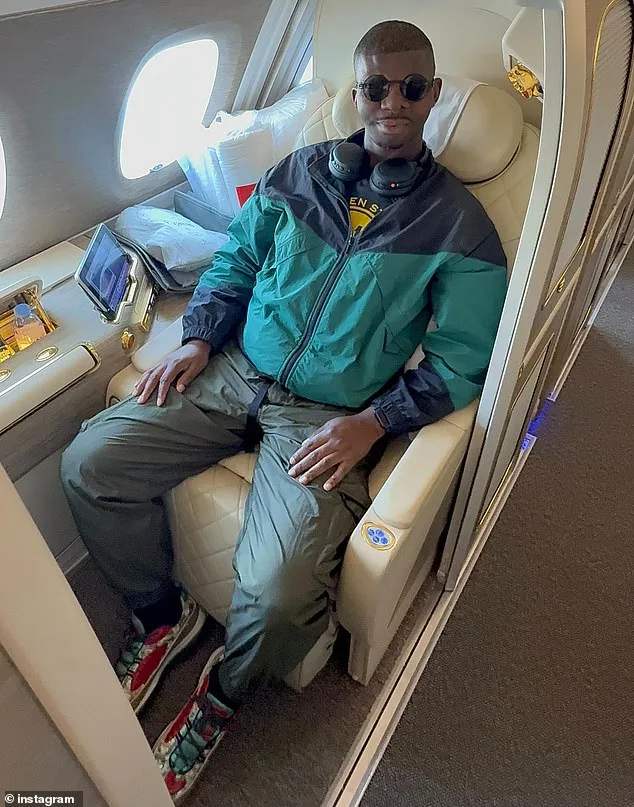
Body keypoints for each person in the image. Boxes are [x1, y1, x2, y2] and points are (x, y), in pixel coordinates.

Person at [61, 19, 507, 803]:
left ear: (433, 94)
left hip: (325, 415)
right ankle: (160, 614)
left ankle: (221, 694)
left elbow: (462, 361)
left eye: (411, 87)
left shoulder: (460, 228)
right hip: (236, 367)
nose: (392, 102)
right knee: (88, 463)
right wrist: (199, 337)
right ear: (358, 95)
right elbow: (236, 258)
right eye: (376, 86)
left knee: (280, 598)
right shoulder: (301, 170)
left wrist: (374, 422)